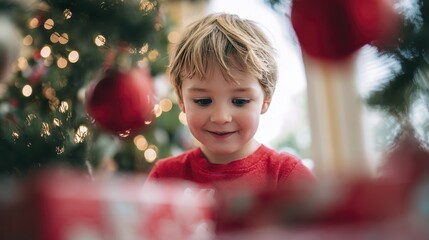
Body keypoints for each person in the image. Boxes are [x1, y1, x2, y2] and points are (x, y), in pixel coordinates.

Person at [146, 13, 315, 191]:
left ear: (266, 100)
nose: (221, 118)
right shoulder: (164, 178)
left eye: (240, 101)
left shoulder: (288, 176)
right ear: (181, 101)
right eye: (203, 101)